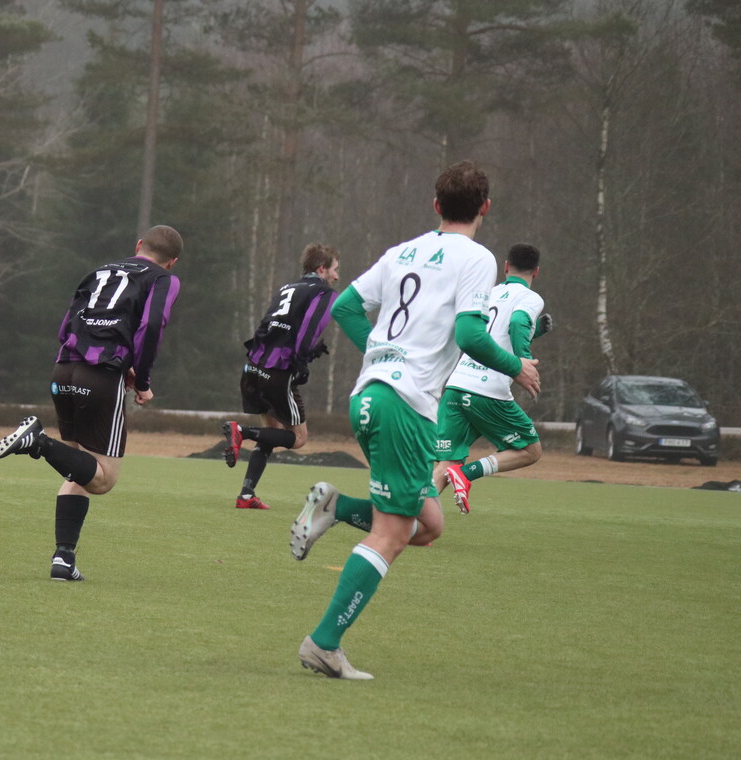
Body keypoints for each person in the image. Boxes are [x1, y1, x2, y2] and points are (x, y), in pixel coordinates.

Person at [287, 161, 540, 679]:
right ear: (485, 208)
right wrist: (516, 366)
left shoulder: (402, 251)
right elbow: (470, 334)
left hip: (371, 396)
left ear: (436, 205)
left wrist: (382, 354)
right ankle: (323, 643)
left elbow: (346, 307)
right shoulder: (477, 258)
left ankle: (336, 508)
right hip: (404, 405)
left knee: (429, 526)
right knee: (392, 533)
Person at [0, 225, 183, 581]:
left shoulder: (100, 271)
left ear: (138, 245)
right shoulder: (163, 279)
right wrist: (141, 380)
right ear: (171, 262)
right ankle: (38, 442)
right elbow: (152, 325)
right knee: (103, 479)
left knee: (79, 467)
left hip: (64, 369)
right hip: (100, 377)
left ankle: (63, 559)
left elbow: (66, 324)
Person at [434, 243, 554, 513]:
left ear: (506, 266)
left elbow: (494, 331)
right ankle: (467, 474)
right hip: (487, 391)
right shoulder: (531, 298)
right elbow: (517, 322)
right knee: (530, 450)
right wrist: (523, 361)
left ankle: (407, 523)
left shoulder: (487, 293)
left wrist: (535, 332)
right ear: (536, 272)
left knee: (446, 464)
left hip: (456, 386)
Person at [221, 243, 340, 509]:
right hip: (277, 372)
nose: (336, 276)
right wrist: (302, 361)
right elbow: (309, 330)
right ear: (322, 268)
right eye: (335, 269)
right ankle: (240, 431)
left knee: (270, 432)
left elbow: (267, 327)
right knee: (298, 438)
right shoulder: (324, 292)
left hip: (253, 367)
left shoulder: (287, 288)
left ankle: (246, 495)